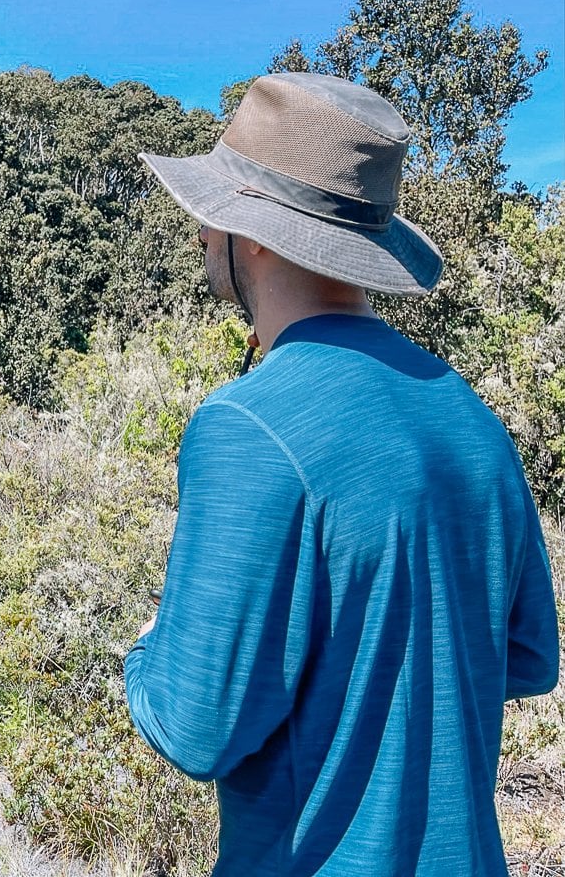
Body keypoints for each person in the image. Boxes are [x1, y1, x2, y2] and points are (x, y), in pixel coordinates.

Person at [123, 73, 559, 876]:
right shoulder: (471, 416)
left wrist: (146, 653)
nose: (198, 235)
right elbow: (529, 656)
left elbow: (195, 724)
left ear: (251, 234)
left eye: (210, 213)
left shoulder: (247, 426)